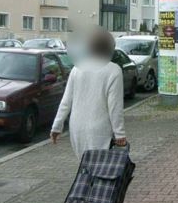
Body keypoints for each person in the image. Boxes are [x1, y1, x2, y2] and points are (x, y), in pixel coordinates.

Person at [50, 29, 127, 157]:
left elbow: (66, 101)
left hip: (77, 128)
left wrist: (57, 127)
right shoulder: (113, 70)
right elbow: (115, 106)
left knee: (85, 166)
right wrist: (119, 133)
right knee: (99, 169)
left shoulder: (77, 68)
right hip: (100, 130)